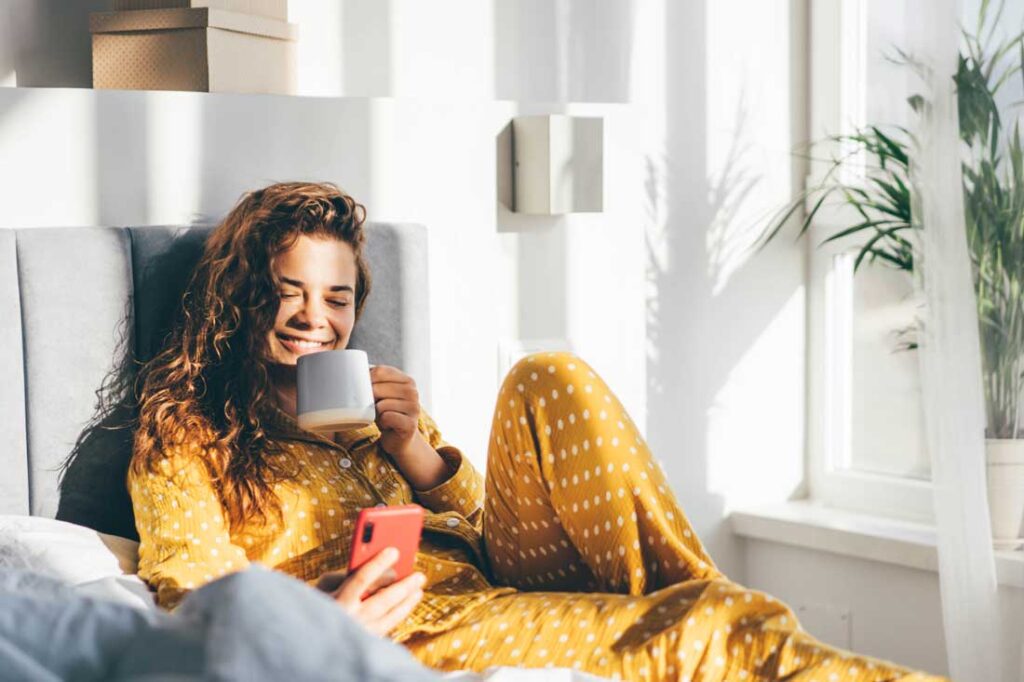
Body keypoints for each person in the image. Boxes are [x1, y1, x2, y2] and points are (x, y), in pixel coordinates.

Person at [129, 181, 946, 681]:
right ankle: (697, 616)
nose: (316, 318)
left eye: (337, 298)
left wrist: (416, 451)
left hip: (492, 577)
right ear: (242, 296)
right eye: (289, 291)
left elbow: (483, 527)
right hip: (418, 625)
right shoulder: (188, 436)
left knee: (545, 375)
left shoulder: (376, 410)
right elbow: (193, 592)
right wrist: (326, 625)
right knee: (706, 630)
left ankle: (687, 601)